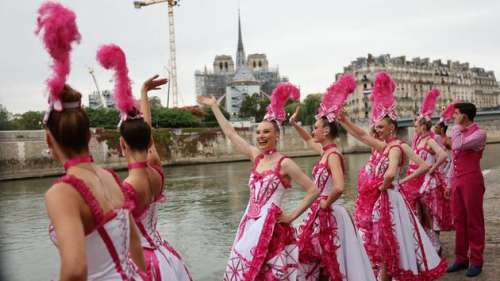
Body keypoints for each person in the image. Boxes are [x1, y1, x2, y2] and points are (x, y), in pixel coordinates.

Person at [37, 3, 147, 280]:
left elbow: (75, 269)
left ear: (50, 140)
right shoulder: (110, 177)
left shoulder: (62, 193)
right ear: (89, 135)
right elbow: (135, 246)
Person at [197, 83, 319, 281]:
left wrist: (291, 216)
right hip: (249, 224)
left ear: (277, 135)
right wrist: (214, 107)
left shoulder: (285, 163)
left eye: (266, 132)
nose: (261, 136)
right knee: (244, 271)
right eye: (258, 132)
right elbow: (231, 134)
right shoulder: (256, 156)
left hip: (272, 229)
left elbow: (313, 190)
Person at [337, 72, 447, 281]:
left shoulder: (396, 147)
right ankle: (383, 272)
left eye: (380, 127)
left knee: (389, 237)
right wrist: (344, 120)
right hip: (380, 199)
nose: (376, 131)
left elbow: (406, 167)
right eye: (376, 127)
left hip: (388, 200)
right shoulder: (384, 146)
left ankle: (386, 274)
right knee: (383, 237)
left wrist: (391, 182)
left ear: (392, 128)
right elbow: (362, 135)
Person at [96, 44, 192, 281]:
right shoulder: (156, 170)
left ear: (122, 145)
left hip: (144, 263)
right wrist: (143, 95)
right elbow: (146, 135)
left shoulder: (126, 188)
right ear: (149, 141)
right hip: (166, 257)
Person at [290, 75, 376, 281]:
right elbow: (308, 139)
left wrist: (324, 203)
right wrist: (294, 124)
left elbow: (338, 187)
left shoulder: (334, 155)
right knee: (319, 255)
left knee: (332, 256)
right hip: (321, 210)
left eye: (316, 127)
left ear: (326, 130)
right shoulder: (325, 152)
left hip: (329, 212)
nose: (313, 131)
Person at [400, 88, 453, 254]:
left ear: (423, 125)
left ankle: (435, 244)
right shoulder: (418, 140)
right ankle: (427, 243)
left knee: (429, 212)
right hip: (415, 179)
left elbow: (444, 155)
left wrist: (433, 169)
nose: (414, 127)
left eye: (416, 124)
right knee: (420, 212)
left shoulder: (429, 140)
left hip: (426, 182)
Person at [446, 102, 487, 277]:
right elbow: (453, 160)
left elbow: (457, 146)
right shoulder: (459, 133)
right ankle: (461, 258)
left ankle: (476, 260)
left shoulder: (480, 134)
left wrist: (456, 127)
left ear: (464, 115)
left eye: (456, 114)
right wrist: (449, 183)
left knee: (474, 221)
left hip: (471, 180)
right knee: (459, 220)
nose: (453, 117)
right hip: (457, 180)